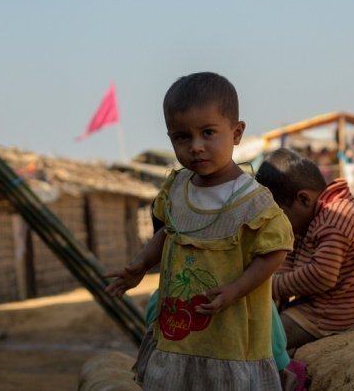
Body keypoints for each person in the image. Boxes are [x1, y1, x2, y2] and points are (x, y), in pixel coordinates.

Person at [104, 72, 294, 390]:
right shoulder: (177, 188)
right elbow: (169, 232)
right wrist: (140, 264)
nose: (196, 147)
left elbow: (275, 251)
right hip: (180, 334)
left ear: (236, 133)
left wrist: (235, 290)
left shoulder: (251, 201)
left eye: (208, 133)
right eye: (182, 137)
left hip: (231, 337)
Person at [256, 148, 354, 352]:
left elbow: (323, 274)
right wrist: (272, 289)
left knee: (259, 338)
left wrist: (273, 286)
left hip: (330, 315)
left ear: (303, 199)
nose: (277, 225)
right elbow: (288, 256)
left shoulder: (335, 217)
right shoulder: (311, 216)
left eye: (279, 216)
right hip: (311, 308)